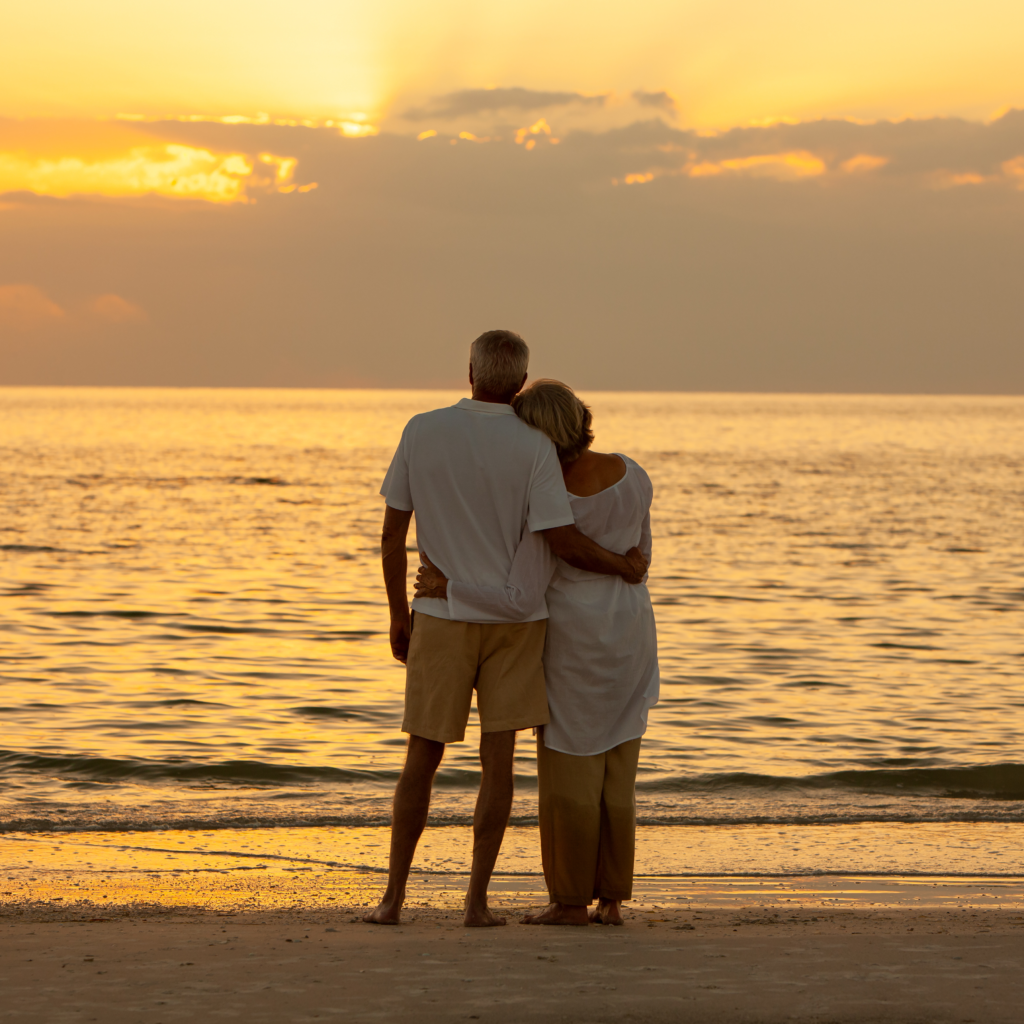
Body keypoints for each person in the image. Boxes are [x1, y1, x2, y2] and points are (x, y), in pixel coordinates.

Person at [365, 332, 647, 928]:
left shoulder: (420, 429)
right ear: (519, 382)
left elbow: (393, 535)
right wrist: (625, 565)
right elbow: (553, 535)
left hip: (441, 618)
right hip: (519, 627)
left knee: (422, 757)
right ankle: (476, 902)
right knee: (499, 762)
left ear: (468, 370)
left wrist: (397, 612)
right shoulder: (536, 447)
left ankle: (393, 899)